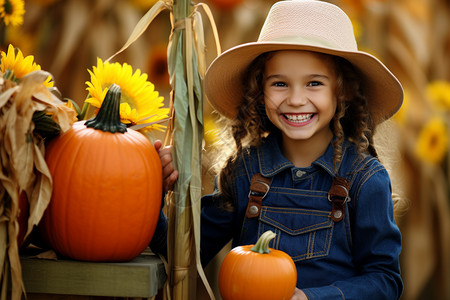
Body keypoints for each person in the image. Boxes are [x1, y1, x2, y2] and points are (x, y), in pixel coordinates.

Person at [151, 0, 404, 299]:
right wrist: (153, 187)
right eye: (280, 83)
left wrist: (312, 298)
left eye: (314, 83)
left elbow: (385, 281)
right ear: (260, 90)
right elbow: (185, 256)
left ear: (343, 89)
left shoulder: (364, 180)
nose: (296, 99)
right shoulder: (245, 170)